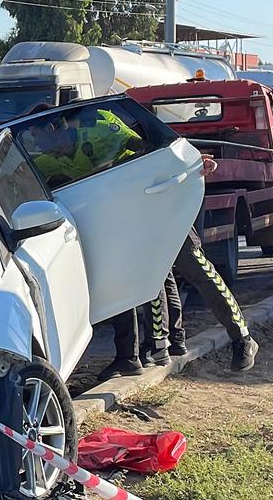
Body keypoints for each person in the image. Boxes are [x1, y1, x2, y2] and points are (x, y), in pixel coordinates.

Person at [100, 154, 259, 380]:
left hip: (166, 206)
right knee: (151, 277)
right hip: (133, 211)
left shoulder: (109, 124)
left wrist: (192, 161)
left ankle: (242, 338)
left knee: (196, 268)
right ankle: (156, 346)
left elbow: (166, 146)